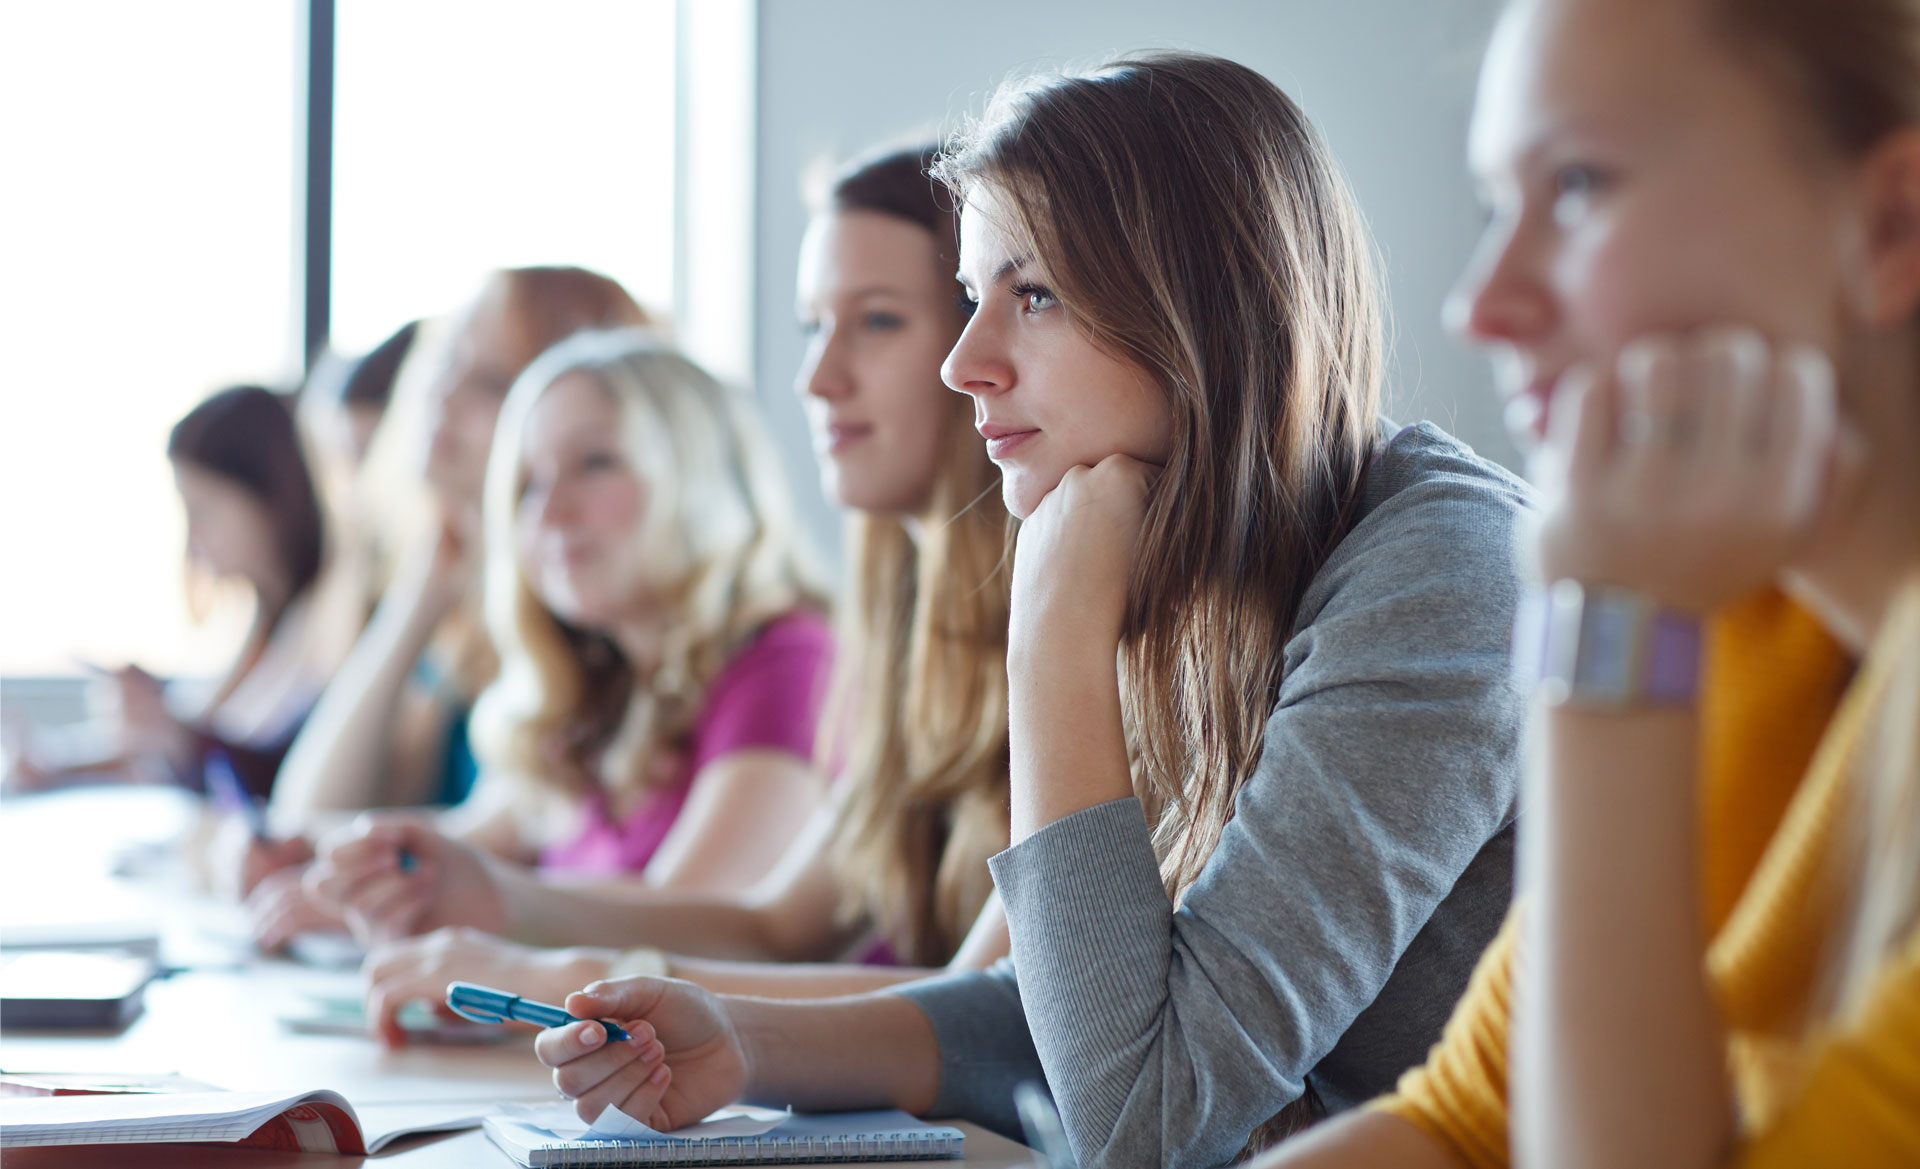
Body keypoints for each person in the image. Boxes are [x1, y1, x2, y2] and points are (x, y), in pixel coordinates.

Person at [532, 52, 1533, 1167]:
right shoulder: (1204, 570)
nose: (967, 362)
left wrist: (1050, 642)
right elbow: (1081, 1010)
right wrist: (742, 1041)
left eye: (1035, 295)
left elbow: (1144, 1114)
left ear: (1202, 305)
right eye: (972, 299)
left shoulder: (1442, 576)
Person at [1256, 0, 1920, 1165]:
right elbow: (1461, 1125)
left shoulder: (1657, 616)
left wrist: (1605, 643)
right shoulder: (1756, 618)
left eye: (1577, 187)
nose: (1481, 304)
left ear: (1892, 225)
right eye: (1494, 207)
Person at [311, 146, 1023, 1042]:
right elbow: (776, 923)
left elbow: (991, 1007)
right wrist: (497, 902)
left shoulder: (806, 651)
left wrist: (552, 966)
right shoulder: (901, 632)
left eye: (877, 322)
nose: (814, 377)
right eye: (812, 326)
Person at [241, 267, 653, 943]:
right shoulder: (466, 604)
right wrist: (420, 595)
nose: (443, 395)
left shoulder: (585, 627)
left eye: (491, 382)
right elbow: (315, 804)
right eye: (448, 364)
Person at [6, 385, 338, 799]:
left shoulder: (327, 624)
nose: (194, 538)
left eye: (205, 509)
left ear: (268, 499)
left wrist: (173, 732)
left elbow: (275, 777)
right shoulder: (264, 625)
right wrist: (59, 766)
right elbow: (196, 746)